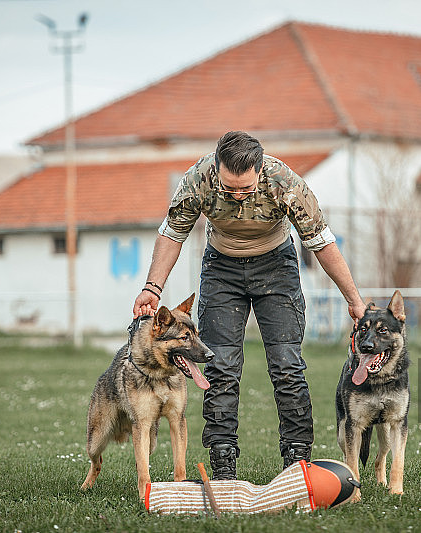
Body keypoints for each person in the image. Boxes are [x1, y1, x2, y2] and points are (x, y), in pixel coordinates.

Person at [133, 131, 365, 480]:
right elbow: (172, 233)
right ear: (218, 167)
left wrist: (354, 301)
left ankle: (297, 464)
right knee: (220, 366)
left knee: (287, 366)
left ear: (260, 169)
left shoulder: (285, 183)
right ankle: (224, 465)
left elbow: (321, 243)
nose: (237, 195)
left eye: (245, 188)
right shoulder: (199, 180)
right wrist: (153, 287)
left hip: (277, 267)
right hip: (222, 269)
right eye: (230, 188)